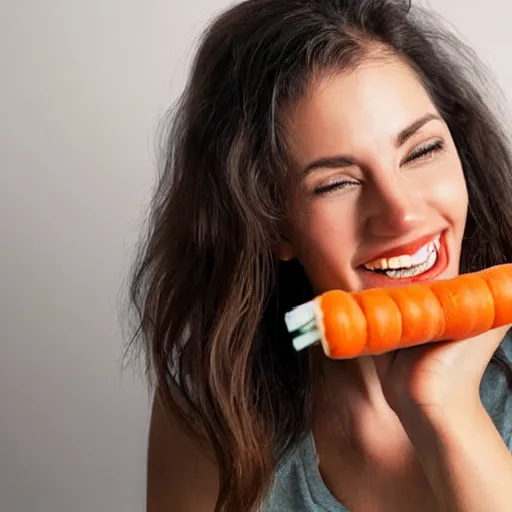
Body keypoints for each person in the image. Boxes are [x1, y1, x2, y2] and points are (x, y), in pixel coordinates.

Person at [128, 0, 512, 510]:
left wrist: (446, 405)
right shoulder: (216, 406)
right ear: (272, 224)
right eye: (337, 183)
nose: (401, 215)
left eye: (421, 151)